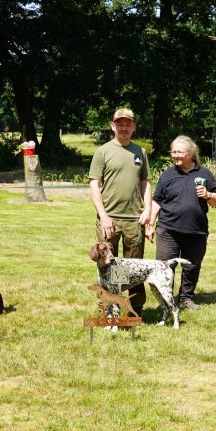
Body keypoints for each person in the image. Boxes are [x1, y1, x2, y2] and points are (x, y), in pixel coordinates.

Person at [147, 136, 216, 311]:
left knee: (191, 266)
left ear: (191, 153)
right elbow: (157, 201)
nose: (175, 155)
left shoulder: (204, 174)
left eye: (179, 152)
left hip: (196, 231)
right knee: (164, 267)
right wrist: (150, 224)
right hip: (168, 229)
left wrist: (208, 195)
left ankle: (186, 298)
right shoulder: (167, 175)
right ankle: (166, 301)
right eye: (173, 152)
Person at [89, 107, 152, 314]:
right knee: (108, 267)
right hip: (110, 219)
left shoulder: (140, 152)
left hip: (134, 219)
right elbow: (94, 185)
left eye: (128, 124)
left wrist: (147, 210)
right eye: (120, 124)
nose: (124, 128)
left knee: (134, 267)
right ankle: (109, 310)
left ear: (134, 127)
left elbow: (145, 182)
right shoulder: (103, 151)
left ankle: (135, 309)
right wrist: (104, 216)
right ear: (112, 126)